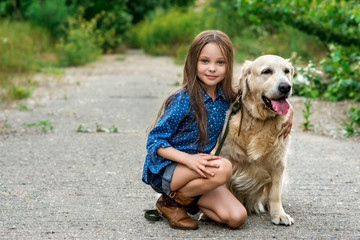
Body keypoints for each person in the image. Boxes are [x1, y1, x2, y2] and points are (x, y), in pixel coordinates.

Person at [142, 30, 293, 230]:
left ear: (228, 66)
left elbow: (262, 93)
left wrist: (289, 111)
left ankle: (189, 201)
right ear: (192, 63)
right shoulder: (183, 99)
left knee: (237, 217)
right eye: (205, 61)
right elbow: (154, 141)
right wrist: (189, 159)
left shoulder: (226, 97)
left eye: (220, 63)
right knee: (223, 167)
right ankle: (171, 202)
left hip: (201, 172)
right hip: (171, 169)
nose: (212, 69)